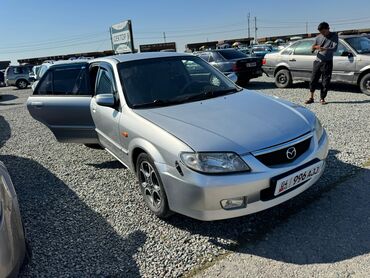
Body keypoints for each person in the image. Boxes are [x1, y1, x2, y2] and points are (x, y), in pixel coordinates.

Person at [305, 22, 338, 105]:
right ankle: (311, 97)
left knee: (325, 81)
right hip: (317, 61)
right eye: (321, 32)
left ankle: (322, 98)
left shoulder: (334, 36)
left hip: (327, 62)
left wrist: (324, 49)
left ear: (328, 29)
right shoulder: (318, 37)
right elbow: (312, 48)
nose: (322, 34)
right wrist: (315, 47)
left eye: (323, 32)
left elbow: (334, 49)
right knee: (313, 80)